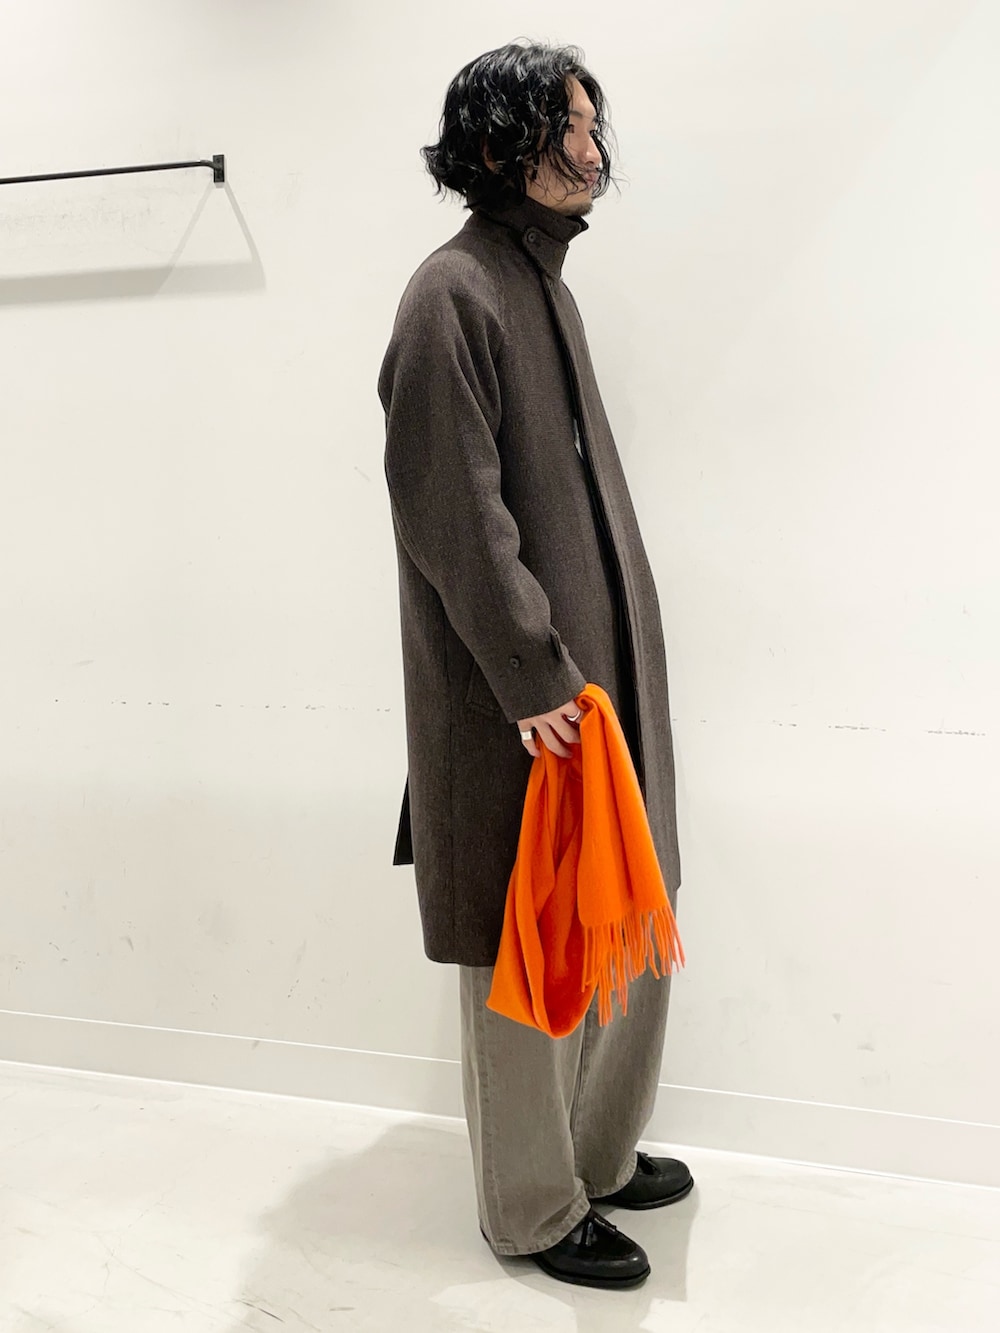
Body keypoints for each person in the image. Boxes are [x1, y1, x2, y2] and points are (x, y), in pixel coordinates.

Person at [379, 41, 691, 1290]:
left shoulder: (544, 288)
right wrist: (535, 675)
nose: (593, 149)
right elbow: (453, 514)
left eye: (593, 125)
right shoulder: (449, 295)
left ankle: (597, 1155)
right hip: (529, 706)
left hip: (599, 691)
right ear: (501, 141)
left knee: (626, 912)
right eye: (569, 126)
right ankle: (531, 1204)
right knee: (533, 944)